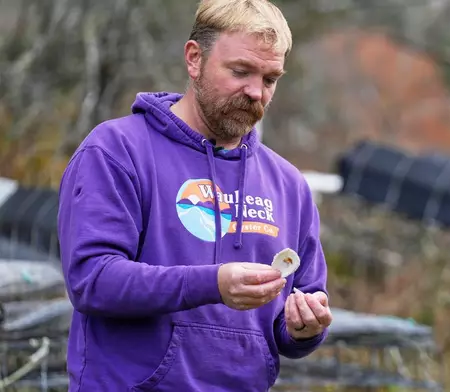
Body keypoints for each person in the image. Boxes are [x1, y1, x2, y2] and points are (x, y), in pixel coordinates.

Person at [56, 0, 332, 390]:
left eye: (270, 79)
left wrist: (304, 328)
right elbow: (92, 279)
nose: (255, 92)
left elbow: (295, 316)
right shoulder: (117, 150)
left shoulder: (288, 184)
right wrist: (213, 284)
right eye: (240, 71)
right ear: (194, 58)